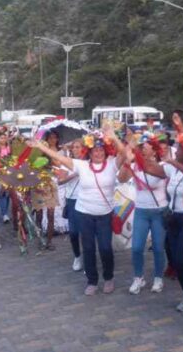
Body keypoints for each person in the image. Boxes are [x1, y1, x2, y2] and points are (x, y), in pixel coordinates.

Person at [32, 125, 126, 296]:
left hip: (105, 214)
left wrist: (113, 137)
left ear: (105, 151)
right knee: (88, 248)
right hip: (84, 213)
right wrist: (41, 147)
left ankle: (109, 277)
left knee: (105, 248)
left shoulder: (112, 164)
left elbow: (125, 155)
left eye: (101, 150)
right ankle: (92, 281)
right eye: (95, 151)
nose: (98, 153)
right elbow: (59, 159)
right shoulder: (81, 165)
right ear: (89, 152)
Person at [119, 131, 168, 295]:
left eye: (146, 148)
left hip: (159, 211)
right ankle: (138, 277)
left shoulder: (161, 166)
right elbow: (121, 179)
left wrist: (137, 159)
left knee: (158, 247)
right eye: (141, 148)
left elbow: (157, 172)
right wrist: (127, 161)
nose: (142, 151)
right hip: (141, 211)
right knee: (137, 247)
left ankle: (158, 277)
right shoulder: (135, 165)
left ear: (154, 151)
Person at [163, 139, 183, 311]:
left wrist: (173, 161)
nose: (178, 151)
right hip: (173, 218)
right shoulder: (172, 169)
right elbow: (154, 169)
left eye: (181, 149)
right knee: (175, 259)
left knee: (182, 258)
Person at [62, 139, 85, 271]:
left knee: (86, 233)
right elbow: (60, 181)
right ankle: (77, 255)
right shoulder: (67, 163)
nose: (75, 150)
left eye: (78, 147)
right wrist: (75, 174)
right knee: (74, 232)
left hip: (86, 200)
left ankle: (88, 258)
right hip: (72, 201)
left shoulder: (89, 163)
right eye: (73, 147)